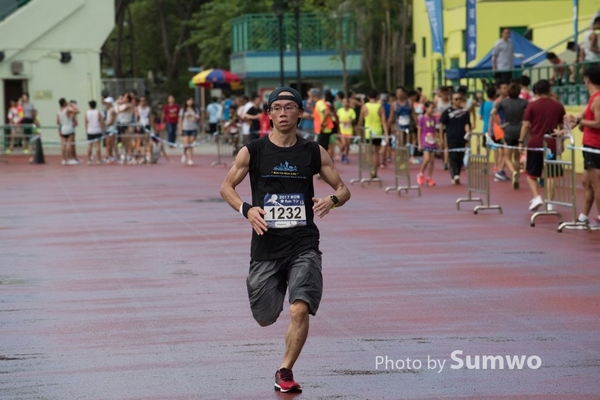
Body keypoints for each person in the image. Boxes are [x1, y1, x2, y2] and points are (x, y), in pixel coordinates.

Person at [220, 87, 350, 394]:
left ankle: (285, 370)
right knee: (265, 317)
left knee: (299, 309)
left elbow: (344, 188)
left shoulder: (313, 152)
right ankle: (270, 294)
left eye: (289, 107)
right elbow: (226, 187)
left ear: (300, 113)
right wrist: (247, 210)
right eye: (276, 108)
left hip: (303, 242)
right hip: (266, 246)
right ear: (268, 115)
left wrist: (332, 199)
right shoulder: (253, 151)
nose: (282, 113)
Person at [517, 79, 566, 211]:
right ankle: (550, 202)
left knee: (531, 173)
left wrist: (521, 141)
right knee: (551, 174)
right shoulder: (558, 106)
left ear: (536, 91)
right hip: (551, 144)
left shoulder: (532, 106)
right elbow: (563, 127)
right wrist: (562, 143)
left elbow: (526, 125)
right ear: (549, 90)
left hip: (535, 143)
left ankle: (537, 196)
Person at [564, 66, 600, 229]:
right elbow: (579, 116)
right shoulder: (593, 98)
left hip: (595, 146)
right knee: (587, 182)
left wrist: (578, 122)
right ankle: (583, 217)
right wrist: (563, 131)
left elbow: (598, 123)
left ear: (587, 80)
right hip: (589, 146)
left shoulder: (598, 99)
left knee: (596, 183)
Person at [491, 83, 528, 189]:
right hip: (520, 130)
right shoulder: (524, 102)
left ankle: (513, 173)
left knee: (507, 156)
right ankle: (516, 176)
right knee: (517, 156)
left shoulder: (503, 102)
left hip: (508, 130)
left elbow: (492, 113)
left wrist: (500, 124)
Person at [439, 91, 471, 185]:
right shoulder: (447, 112)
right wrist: (441, 138)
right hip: (451, 137)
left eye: (460, 99)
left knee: (460, 157)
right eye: (456, 99)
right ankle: (454, 175)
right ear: (452, 100)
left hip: (462, 137)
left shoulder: (464, 112)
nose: (458, 101)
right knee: (453, 156)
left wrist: (468, 133)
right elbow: (441, 125)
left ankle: (457, 174)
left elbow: (467, 124)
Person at [358, 89, 389, 179]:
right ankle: (374, 170)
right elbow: (384, 122)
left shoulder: (364, 107)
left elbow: (360, 120)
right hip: (378, 132)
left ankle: (371, 166)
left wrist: (359, 132)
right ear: (377, 97)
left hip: (368, 131)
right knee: (376, 152)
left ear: (368, 97)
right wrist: (386, 134)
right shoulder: (380, 107)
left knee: (369, 152)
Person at [416, 101, 437, 186]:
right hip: (425, 142)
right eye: (431, 108)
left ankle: (429, 177)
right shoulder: (422, 118)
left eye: (433, 108)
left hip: (432, 141)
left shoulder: (433, 118)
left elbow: (434, 130)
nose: (433, 110)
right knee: (427, 159)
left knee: (432, 161)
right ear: (426, 108)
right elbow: (419, 131)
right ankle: (420, 173)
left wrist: (437, 139)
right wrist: (419, 143)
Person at [178, 97, 200, 166]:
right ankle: (184, 154)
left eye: (191, 100)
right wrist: (180, 129)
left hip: (193, 128)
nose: (190, 102)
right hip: (185, 128)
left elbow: (198, 118)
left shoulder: (195, 109)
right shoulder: (183, 110)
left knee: (191, 144)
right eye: (188, 100)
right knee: (186, 143)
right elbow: (180, 120)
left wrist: (197, 118)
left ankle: (190, 158)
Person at [56, 98, 78, 165]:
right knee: (70, 144)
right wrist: (70, 105)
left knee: (63, 144)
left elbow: (58, 122)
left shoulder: (58, 112)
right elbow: (76, 111)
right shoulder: (67, 110)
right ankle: (70, 159)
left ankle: (64, 159)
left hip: (63, 128)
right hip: (69, 128)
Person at [336, 97, 356, 164]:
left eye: (346, 102)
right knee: (343, 144)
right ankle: (342, 153)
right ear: (342, 103)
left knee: (347, 145)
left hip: (349, 130)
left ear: (348, 103)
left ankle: (345, 157)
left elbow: (354, 119)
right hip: (342, 130)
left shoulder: (351, 111)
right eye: (343, 102)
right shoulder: (339, 111)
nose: (345, 103)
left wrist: (349, 121)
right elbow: (337, 120)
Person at [84, 100, 105, 164]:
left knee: (89, 145)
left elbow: (86, 122)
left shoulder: (87, 113)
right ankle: (98, 160)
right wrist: (102, 130)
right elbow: (101, 121)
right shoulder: (98, 113)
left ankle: (89, 160)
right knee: (97, 145)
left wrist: (87, 130)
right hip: (97, 130)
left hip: (90, 131)